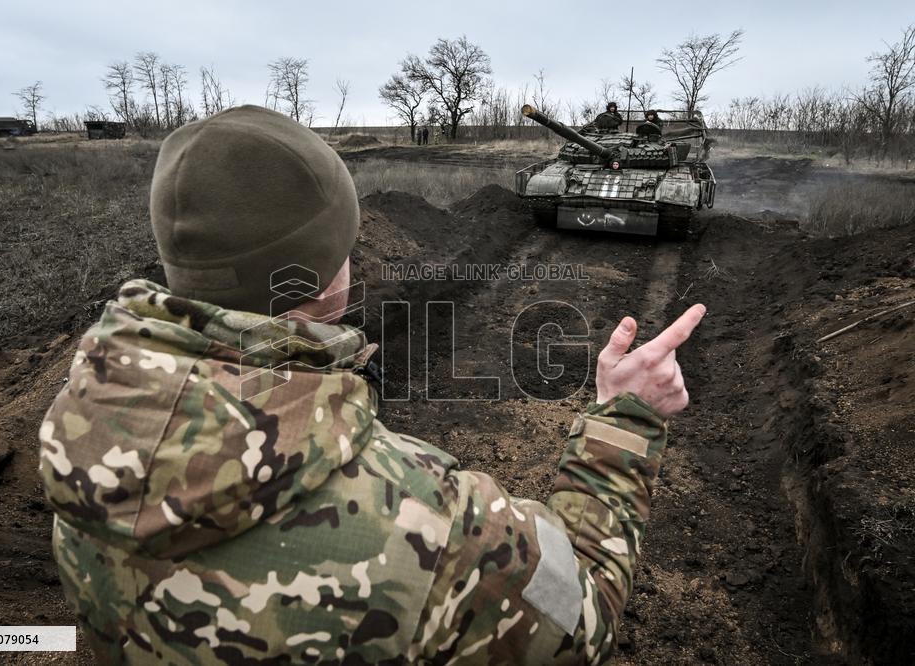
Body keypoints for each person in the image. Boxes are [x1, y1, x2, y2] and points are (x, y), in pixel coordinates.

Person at [39, 104, 705, 665]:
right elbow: (582, 620)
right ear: (326, 272)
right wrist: (625, 420)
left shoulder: (79, 445)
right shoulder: (432, 525)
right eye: (343, 245)